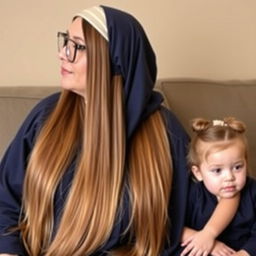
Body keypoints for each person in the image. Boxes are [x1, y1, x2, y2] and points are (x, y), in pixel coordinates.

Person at [0, 6, 239, 256]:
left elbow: (210, 199)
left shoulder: (164, 131)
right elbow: (5, 199)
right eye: (66, 41)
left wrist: (209, 237)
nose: (63, 53)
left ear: (114, 60)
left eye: (78, 46)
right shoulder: (46, 117)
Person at [181, 117, 256, 256]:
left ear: (246, 162)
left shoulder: (252, 191)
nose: (229, 177)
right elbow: (171, 227)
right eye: (217, 170)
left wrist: (245, 253)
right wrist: (203, 238)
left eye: (237, 167)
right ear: (198, 173)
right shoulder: (192, 194)